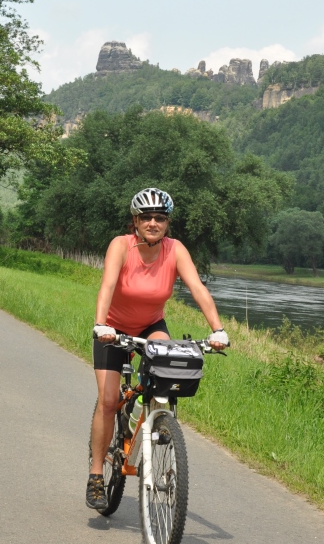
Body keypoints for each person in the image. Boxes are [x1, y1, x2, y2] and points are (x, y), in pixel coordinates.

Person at [87, 187, 229, 510]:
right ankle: (97, 474)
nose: (153, 222)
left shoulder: (175, 250)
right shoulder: (120, 246)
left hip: (151, 325)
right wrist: (101, 325)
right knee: (109, 401)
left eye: (160, 218)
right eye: (146, 217)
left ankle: (157, 422)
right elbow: (107, 285)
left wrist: (217, 329)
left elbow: (197, 288)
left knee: (166, 368)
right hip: (114, 328)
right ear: (135, 221)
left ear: (167, 223)